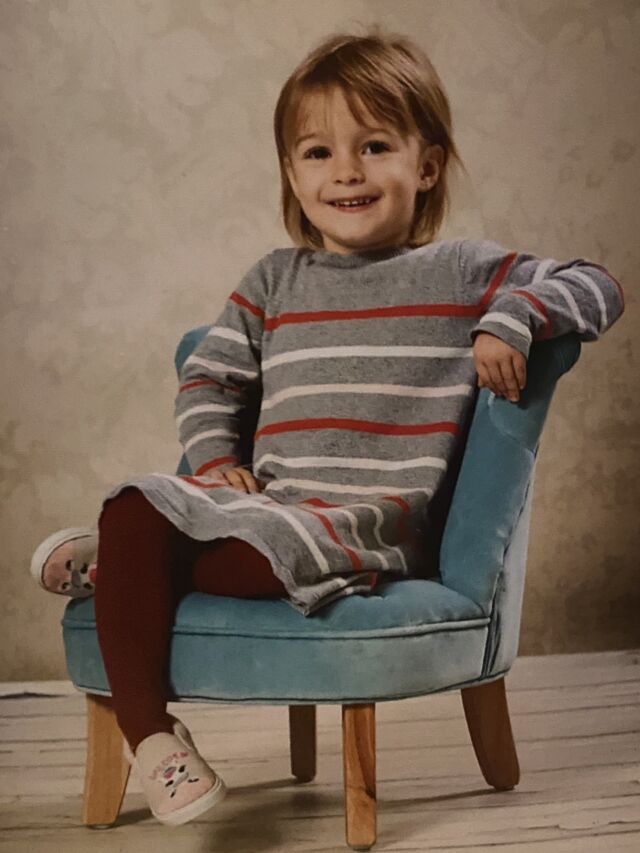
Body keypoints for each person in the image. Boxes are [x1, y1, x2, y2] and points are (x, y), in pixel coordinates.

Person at [29, 26, 625, 826]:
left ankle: (126, 569)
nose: (345, 170)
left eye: (374, 145)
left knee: (200, 546)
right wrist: (213, 459)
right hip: (265, 507)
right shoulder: (275, 279)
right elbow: (208, 375)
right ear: (291, 172)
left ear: (426, 165)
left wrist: (514, 316)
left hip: (363, 523)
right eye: (318, 152)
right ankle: (154, 738)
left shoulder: (461, 271)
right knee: (133, 500)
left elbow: (596, 283)